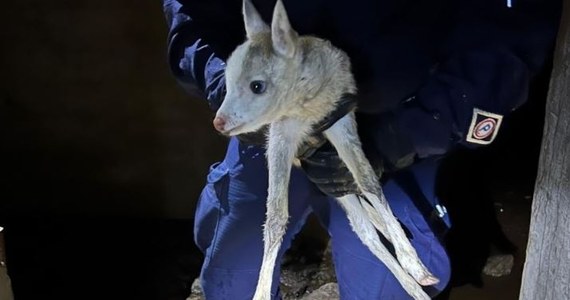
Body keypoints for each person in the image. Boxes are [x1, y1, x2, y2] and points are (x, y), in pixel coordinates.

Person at [161, 0, 561, 298]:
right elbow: (193, 17)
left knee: (386, 278)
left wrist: (405, 135)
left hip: (392, 121)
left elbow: (506, 34)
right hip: (273, 118)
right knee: (232, 267)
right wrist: (224, 84)